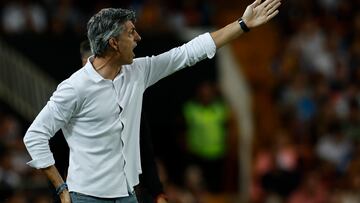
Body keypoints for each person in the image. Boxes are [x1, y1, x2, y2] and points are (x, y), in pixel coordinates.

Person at [23, 0, 281, 202]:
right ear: (113, 42)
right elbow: (34, 136)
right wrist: (62, 189)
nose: (138, 38)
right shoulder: (74, 88)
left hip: (127, 195)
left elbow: (189, 52)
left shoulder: (139, 71)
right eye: (131, 33)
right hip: (86, 198)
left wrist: (242, 24)